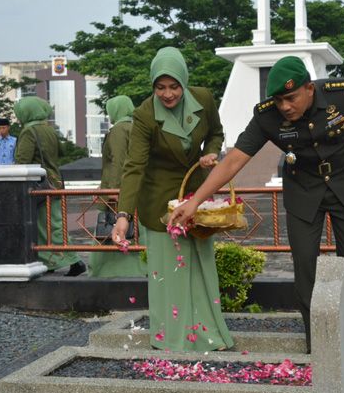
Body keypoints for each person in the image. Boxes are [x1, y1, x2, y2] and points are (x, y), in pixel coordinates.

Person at [169, 56, 344, 352]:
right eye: (278, 100)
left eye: (291, 98)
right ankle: (320, 343)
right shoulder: (266, 116)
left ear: (309, 88)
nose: (284, 106)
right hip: (303, 190)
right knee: (304, 266)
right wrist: (195, 202)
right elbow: (234, 159)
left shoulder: (343, 93)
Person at [112, 47, 233, 352]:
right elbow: (134, 167)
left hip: (196, 196)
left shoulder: (204, 99)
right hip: (159, 200)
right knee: (169, 270)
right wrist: (123, 215)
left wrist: (211, 152)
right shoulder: (143, 116)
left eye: (174, 86)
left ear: (184, 81)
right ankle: (171, 337)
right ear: (152, 86)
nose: (167, 94)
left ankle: (207, 333)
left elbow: (216, 133)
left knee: (201, 265)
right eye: (160, 87)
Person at [14, 96, 86, 277]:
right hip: (55, 182)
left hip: (41, 185)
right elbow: (62, 152)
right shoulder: (49, 129)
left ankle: (75, 261)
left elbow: (22, 160)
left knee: (49, 226)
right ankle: (50, 262)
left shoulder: (29, 132)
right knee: (50, 225)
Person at [89, 95, 147, 277]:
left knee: (110, 229)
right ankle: (142, 268)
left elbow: (117, 162)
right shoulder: (136, 127)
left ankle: (106, 271)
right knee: (135, 230)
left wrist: (112, 190)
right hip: (136, 189)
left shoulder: (118, 130)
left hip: (118, 191)